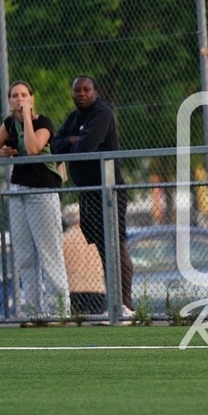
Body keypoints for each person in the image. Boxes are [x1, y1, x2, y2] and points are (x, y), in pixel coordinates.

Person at [50, 76, 134, 316]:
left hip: (108, 191)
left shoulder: (102, 112)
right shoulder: (74, 118)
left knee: (115, 244)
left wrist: (73, 143)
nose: (81, 94)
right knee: (103, 248)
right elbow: (54, 145)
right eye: (77, 90)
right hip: (87, 192)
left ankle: (126, 305)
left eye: (86, 89)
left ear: (95, 91)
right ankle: (114, 305)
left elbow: (87, 147)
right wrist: (71, 139)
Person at [0, 80, 70, 317]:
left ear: (32, 98)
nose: (19, 99)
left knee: (49, 254)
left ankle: (58, 311)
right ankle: (31, 311)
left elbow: (32, 149)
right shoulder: (9, 123)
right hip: (18, 191)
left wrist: (27, 118)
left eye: (23, 95)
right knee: (24, 256)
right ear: (9, 101)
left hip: (42, 192)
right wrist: (1, 152)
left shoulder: (43, 122)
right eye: (14, 96)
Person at [62, 203, 106, 314]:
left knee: (77, 319)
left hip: (73, 289)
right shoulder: (94, 236)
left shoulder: (64, 239)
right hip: (96, 288)